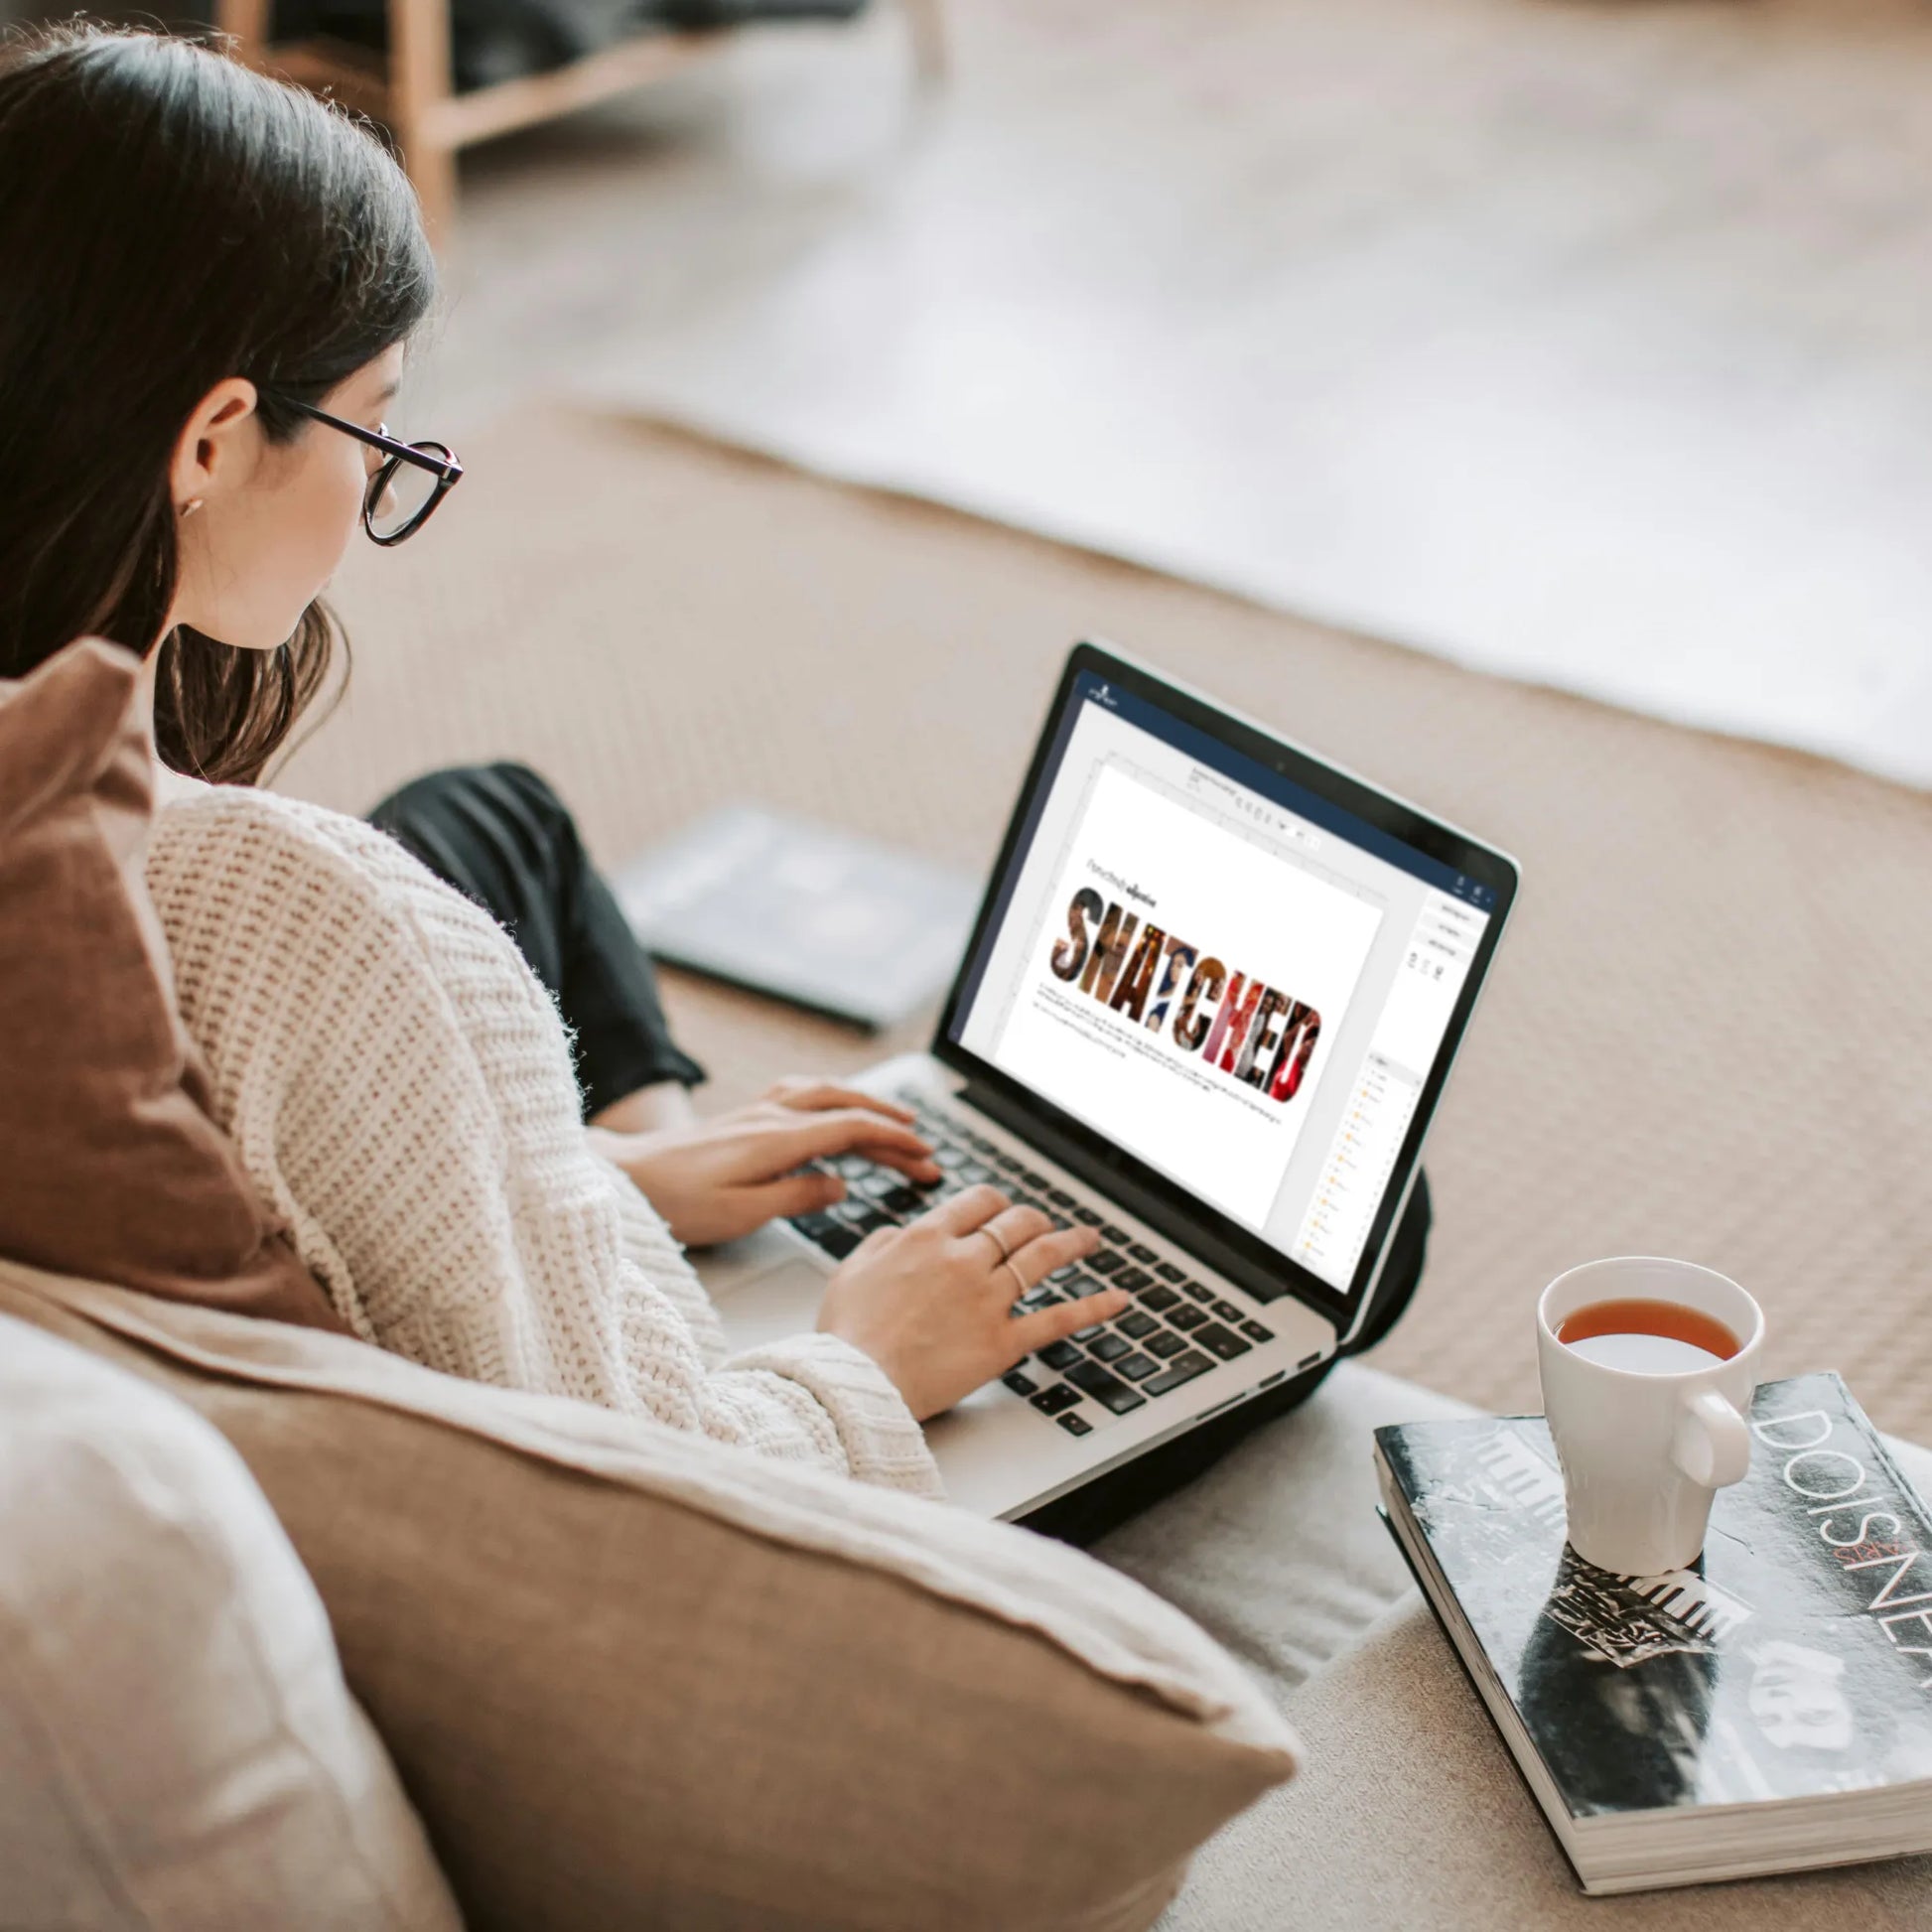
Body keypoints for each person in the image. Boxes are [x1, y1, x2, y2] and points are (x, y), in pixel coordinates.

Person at [0, 21, 1426, 1518]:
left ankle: (650, 1155)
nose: (379, 479)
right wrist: (868, 1357)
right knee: (1369, 1230)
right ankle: (663, 1194)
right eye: (378, 423)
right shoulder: (312, 918)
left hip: (458, 1157)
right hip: (736, 1449)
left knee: (494, 816)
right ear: (216, 439)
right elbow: (628, 1491)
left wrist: (609, 1191)